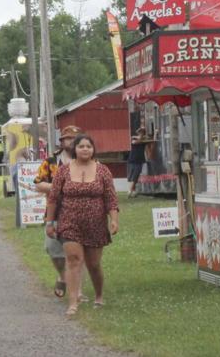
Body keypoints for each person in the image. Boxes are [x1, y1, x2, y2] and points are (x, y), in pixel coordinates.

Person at [44, 135, 119, 316]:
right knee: (73, 260)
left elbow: (110, 198)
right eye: (81, 146)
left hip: (96, 223)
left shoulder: (103, 171)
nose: (85, 149)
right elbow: (53, 198)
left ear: (93, 150)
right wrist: (50, 222)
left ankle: (99, 296)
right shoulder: (63, 171)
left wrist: (114, 220)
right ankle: (73, 302)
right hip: (69, 222)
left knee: (93, 264)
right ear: (74, 150)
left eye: (88, 146)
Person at [32, 125, 81, 298]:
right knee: (52, 249)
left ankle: (77, 290)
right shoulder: (51, 162)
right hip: (54, 213)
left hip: (80, 213)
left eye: (75, 139)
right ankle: (62, 275)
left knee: (76, 252)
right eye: (68, 138)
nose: (72, 142)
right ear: (62, 142)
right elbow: (38, 183)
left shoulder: (86, 161)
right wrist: (57, 187)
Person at [127, 128, 154, 197]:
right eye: (140, 132)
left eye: (142, 132)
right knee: (132, 177)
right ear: (138, 133)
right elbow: (136, 142)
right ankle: (131, 191)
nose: (141, 134)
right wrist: (141, 138)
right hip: (132, 160)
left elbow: (152, 141)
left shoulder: (144, 141)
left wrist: (154, 134)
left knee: (136, 176)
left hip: (139, 161)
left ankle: (131, 191)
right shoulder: (133, 139)